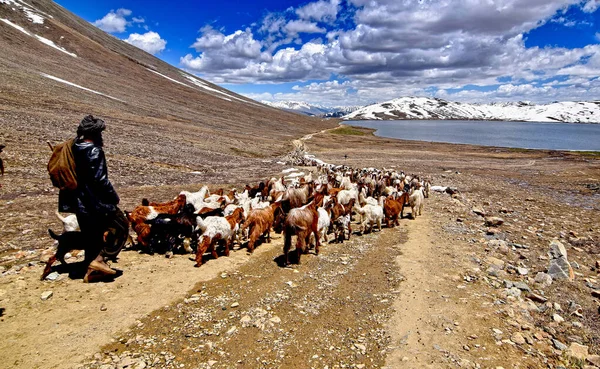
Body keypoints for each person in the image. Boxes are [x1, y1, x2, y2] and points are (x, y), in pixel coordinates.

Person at [58, 115, 127, 282]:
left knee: (92, 235)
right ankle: (99, 260)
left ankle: (89, 272)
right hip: (96, 203)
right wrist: (113, 198)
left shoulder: (72, 147)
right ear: (95, 134)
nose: (102, 137)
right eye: (100, 133)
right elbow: (100, 180)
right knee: (121, 226)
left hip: (78, 202)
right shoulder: (94, 150)